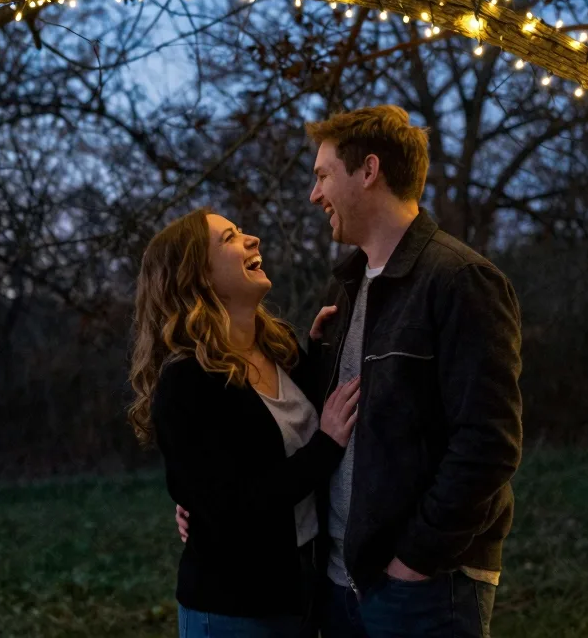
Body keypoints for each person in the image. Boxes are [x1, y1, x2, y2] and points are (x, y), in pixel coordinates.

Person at [177, 105, 523, 638]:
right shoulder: (346, 288)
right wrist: (202, 500)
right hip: (338, 584)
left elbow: (489, 444)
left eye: (322, 176)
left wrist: (414, 560)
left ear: (369, 171)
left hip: (422, 584)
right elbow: (302, 423)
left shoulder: (459, 281)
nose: (315, 195)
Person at [128, 208, 361, 638]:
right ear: (196, 275)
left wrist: (321, 353)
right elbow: (235, 506)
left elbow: (296, 429)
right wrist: (325, 448)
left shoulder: (281, 346)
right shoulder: (187, 381)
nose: (252, 239)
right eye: (231, 238)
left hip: (304, 596)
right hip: (234, 611)